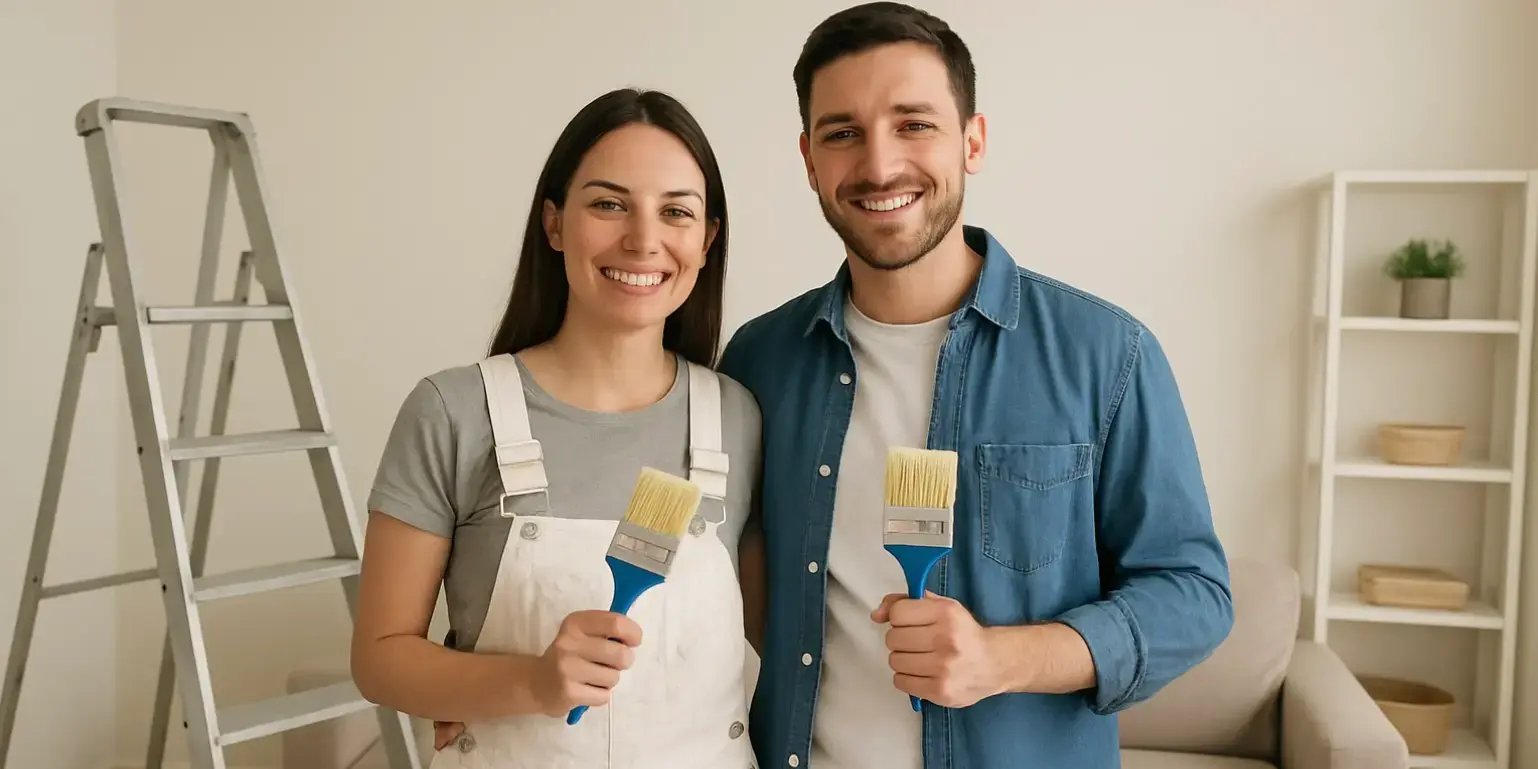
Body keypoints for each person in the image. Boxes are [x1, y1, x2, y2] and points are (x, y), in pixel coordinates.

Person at [716, 3, 1234, 768]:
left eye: (914, 123)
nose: (880, 164)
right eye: (843, 132)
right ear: (808, 159)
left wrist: (1004, 657)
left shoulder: (1107, 353)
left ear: (973, 140)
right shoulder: (759, 361)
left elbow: (1195, 593)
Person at [350, 87, 763, 769]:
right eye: (608, 204)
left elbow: (778, 640)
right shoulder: (453, 411)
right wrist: (531, 682)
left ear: (707, 239)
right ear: (554, 223)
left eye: (676, 213)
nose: (643, 238)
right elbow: (380, 656)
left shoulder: (738, 418)